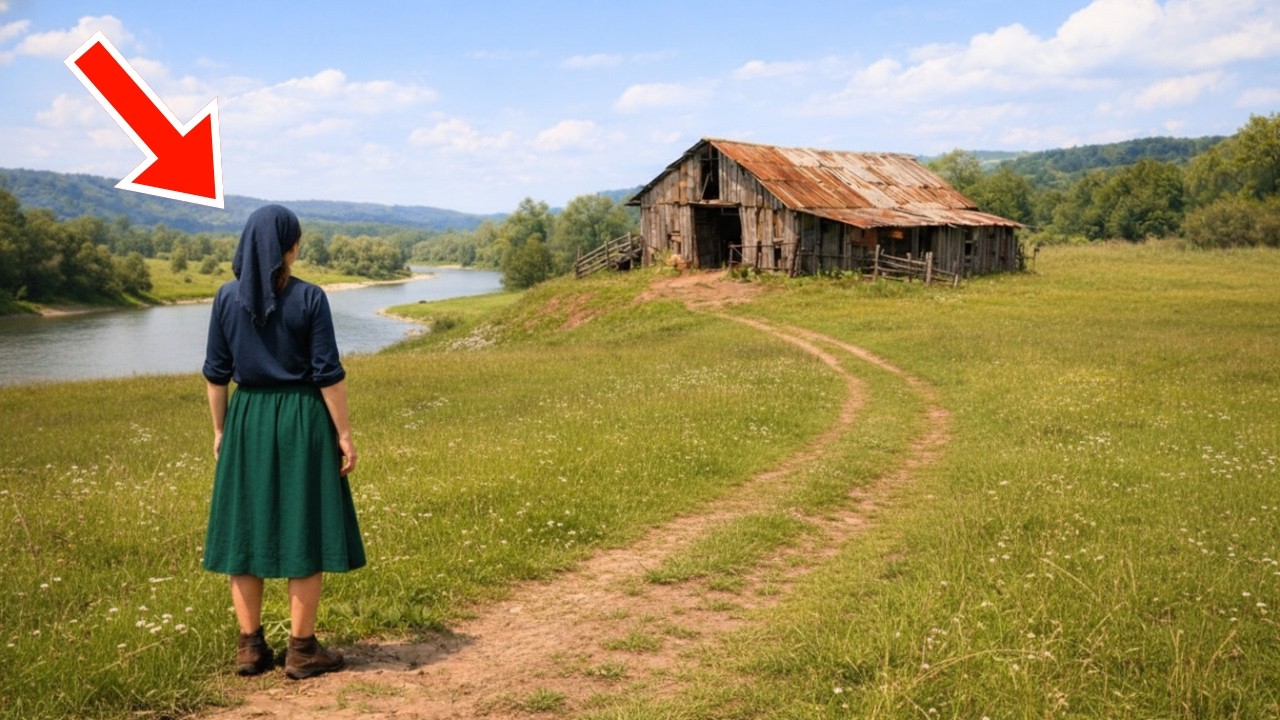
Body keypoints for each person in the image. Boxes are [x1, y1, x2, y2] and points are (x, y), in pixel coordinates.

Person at [202, 204, 365, 680]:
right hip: (302, 419)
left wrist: (221, 430)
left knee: (244, 532)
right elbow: (328, 374)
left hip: (247, 418)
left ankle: (250, 648)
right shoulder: (310, 298)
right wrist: (344, 434)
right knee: (304, 527)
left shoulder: (225, 298)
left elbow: (216, 374)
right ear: (288, 247)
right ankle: (302, 650)